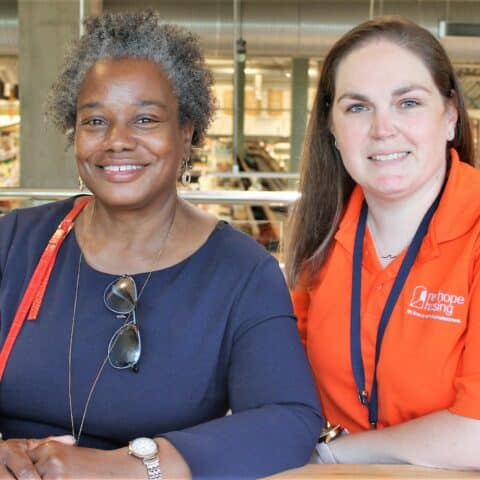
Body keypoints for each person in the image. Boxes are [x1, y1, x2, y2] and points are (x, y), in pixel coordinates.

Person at [0, 10, 322, 479]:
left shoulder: (241, 272)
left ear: (186, 132)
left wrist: (133, 467)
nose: (117, 142)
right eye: (95, 121)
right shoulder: (15, 243)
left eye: (145, 119)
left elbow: (289, 418)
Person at [287, 15, 480, 470]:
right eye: (358, 108)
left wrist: (332, 453)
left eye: (408, 103)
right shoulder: (321, 242)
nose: (382, 129)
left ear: (449, 115)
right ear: (332, 131)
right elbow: (277, 391)